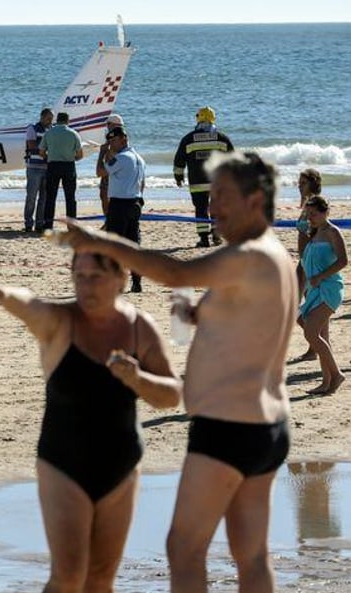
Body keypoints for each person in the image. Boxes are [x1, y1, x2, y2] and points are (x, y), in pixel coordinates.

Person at [62, 151, 294, 593]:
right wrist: (196, 314)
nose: (213, 205)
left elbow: (173, 271)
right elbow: (250, 319)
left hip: (229, 428)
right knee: (252, 555)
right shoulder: (273, 255)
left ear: (255, 201)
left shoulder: (247, 254)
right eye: (212, 193)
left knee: (184, 549)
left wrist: (100, 241)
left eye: (224, 195)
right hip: (268, 428)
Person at [0, 254, 181, 593]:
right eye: (79, 276)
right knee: (68, 577)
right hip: (63, 465)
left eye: (96, 276)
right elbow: (31, 305)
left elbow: (171, 396)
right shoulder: (60, 321)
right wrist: (4, 294)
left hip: (121, 467)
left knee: (101, 581)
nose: (86, 285)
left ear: (121, 278)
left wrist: (137, 378)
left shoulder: (138, 326)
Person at [296, 195, 346, 394]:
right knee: (314, 330)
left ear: (326, 212)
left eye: (314, 214)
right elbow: (302, 256)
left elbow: (343, 261)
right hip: (315, 288)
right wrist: (302, 230)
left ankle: (337, 374)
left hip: (330, 288)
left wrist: (320, 276)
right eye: (308, 215)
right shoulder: (314, 233)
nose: (311, 218)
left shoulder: (333, 232)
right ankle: (326, 381)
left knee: (311, 332)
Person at [173, 106, 234, 248]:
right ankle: (217, 234)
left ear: (198, 119)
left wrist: (178, 175)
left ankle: (204, 239)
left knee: (200, 208)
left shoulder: (188, 139)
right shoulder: (222, 138)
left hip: (197, 182)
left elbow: (179, 159)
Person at [102, 126, 146, 293]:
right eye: (110, 141)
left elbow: (100, 171)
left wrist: (102, 154)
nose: (112, 144)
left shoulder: (121, 158)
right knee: (133, 244)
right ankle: (136, 281)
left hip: (120, 204)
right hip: (134, 203)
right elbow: (142, 183)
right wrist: (140, 200)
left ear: (124, 139)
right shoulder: (139, 158)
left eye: (114, 141)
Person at [293, 168, 324, 362]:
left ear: (312, 184)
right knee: (306, 306)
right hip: (304, 260)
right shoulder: (306, 204)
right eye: (299, 182)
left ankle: (317, 343)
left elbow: (319, 230)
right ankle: (315, 345)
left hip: (309, 262)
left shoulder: (313, 206)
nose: (299, 185)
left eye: (303, 182)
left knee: (292, 306)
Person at [38, 112, 83, 231]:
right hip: (68, 166)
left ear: (57, 120)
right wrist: (72, 158)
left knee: (51, 197)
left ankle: (48, 224)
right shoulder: (73, 133)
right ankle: (72, 225)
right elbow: (80, 154)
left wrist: (49, 157)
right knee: (70, 197)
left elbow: (41, 152)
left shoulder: (49, 133)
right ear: (68, 121)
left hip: (53, 166)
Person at [24, 108, 53, 233]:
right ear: (41, 117)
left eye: (51, 119)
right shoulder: (32, 129)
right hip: (34, 168)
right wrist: (45, 152)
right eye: (48, 119)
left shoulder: (52, 130)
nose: (50, 121)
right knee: (31, 196)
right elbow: (31, 145)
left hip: (47, 168)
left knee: (44, 198)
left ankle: (39, 224)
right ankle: (28, 223)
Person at [96, 114, 125, 224]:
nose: (107, 127)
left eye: (108, 124)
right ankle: (109, 221)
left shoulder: (117, 136)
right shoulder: (117, 136)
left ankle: (109, 222)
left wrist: (103, 151)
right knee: (105, 196)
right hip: (112, 170)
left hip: (112, 171)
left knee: (107, 196)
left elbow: (115, 154)